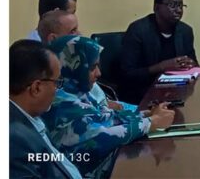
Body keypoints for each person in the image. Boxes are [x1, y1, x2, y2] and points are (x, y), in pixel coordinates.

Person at [43, 36, 176, 176]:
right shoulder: (59, 102)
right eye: (92, 67)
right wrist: (151, 123)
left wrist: (144, 114)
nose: (99, 73)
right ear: (74, 67)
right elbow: (102, 136)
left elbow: (106, 117)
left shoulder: (77, 91)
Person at [9, 40, 82, 179]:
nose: (57, 90)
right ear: (36, 88)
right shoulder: (15, 139)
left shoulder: (32, 117)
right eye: (57, 83)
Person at [120, 0, 199, 104]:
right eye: (173, 5)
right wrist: (161, 67)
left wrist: (191, 65)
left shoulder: (185, 31)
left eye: (180, 5)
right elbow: (127, 74)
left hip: (176, 94)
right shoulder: (138, 30)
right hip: (142, 95)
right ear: (156, 8)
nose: (178, 10)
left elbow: (194, 64)